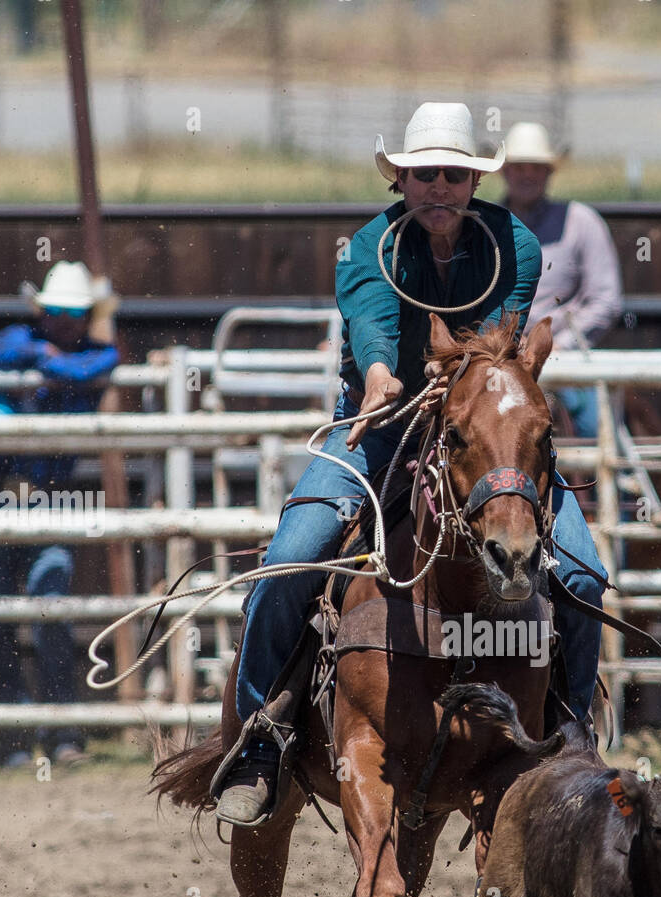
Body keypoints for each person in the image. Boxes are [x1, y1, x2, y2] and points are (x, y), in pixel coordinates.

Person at [213, 103, 608, 827]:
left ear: (472, 181)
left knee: (582, 574)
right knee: (295, 556)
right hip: (382, 419)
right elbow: (370, 319)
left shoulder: (513, 241)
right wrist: (376, 377)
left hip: (480, 424)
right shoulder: (370, 245)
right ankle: (261, 737)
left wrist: (466, 389)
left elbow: (504, 337)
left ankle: (573, 735)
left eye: (454, 175)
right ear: (401, 177)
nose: (440, 188)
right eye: (425, 174)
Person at [0, 261, 118, 768]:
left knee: (51, 607)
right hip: (7, 497)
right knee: (0, 615)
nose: (66, 321)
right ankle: (15, 736)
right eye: (58, 312)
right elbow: (4, 348)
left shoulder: (95, 354)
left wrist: (43, 361)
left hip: (49, 498)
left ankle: (60, 730)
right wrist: (44, 356)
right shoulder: (22, 339)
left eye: (75, 313)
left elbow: (90, 369)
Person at [499, 121, 622, 439]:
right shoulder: (483, 225)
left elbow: (606, 300)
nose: (527, 175)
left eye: (536, 167)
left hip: (564, 358)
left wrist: (559, 344)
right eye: (519, 167)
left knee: (596, 431)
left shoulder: (582, 222)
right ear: (504, 171)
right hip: (495, 354)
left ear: (549, 172)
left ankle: (605, 488)